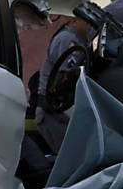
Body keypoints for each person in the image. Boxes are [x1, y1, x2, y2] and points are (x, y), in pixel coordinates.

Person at [34, 16, 92, 153]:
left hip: (58, 111)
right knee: (70, 157)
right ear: (74, 21)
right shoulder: (68, 39)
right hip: (53, 112)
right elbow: (65, 77)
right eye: (88, 23)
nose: (91, 28)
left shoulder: (78, 41)